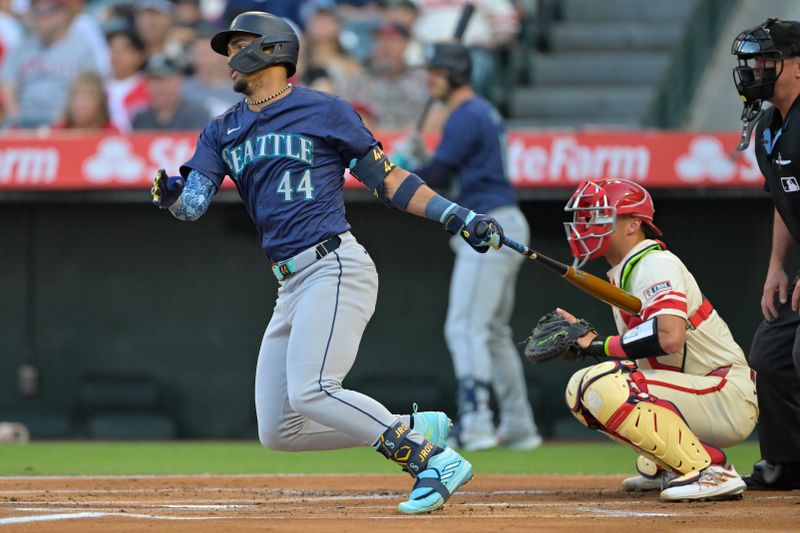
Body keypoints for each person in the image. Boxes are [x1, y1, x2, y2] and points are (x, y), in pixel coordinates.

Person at [149, 11, 506, 514]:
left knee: (314, 390)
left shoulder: (325, 110)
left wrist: (456, 214)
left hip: (332, 265)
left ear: (269, 49)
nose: (228, 56)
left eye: (237, 45)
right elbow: (193, 205)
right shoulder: (222, 129)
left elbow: (388, 180)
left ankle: (429, 460)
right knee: (279, 429)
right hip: (288, 285)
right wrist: (171, 196)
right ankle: (409, 427)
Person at [552, 178, 758, 501]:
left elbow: (669, 337)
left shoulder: (655, 264)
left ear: (634, 224)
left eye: (600, 216)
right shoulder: (625, 273)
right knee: (581, 393)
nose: (587, 225)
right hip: (696, 391)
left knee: (601, 383)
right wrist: (589, 342)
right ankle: (671, 462)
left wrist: (597, 345)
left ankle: (709, 470)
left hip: (723, 391)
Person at [398, 42, 540, 451]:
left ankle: (476, 421)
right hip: (502, 222)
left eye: (438, 71)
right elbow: (453, 167)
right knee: (493, 332)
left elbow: (438, 175)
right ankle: (518, 424)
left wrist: (403, 168)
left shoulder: (466, 113)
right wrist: (423, 157)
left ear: (458, 74)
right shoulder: (476, 112)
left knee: (465, 327)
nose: (431, 78)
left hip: (487, 226)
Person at [731, 18, 800, 490]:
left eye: (768, 60)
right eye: (753, 60)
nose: (756, 69)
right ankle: (786, 461)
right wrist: (777, 266)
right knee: (772, 353)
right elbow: (784, 197)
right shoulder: (769, 126)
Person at [0, 0, 98, 128]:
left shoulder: (83, 49)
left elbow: (90, 89)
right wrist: (16, 119)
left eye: (49, 9)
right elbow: (7, 85)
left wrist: (64, 121)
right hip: (23, 123)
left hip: (67, 124)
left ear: (64, 12)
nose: (41, 15)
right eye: (36, 8)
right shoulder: (20, 48)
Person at [132, 53, 209, 130]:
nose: (157, 87)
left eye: (163, 80)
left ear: (179, 80)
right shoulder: (141, 118)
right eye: (152, 80)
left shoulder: (197, 115)